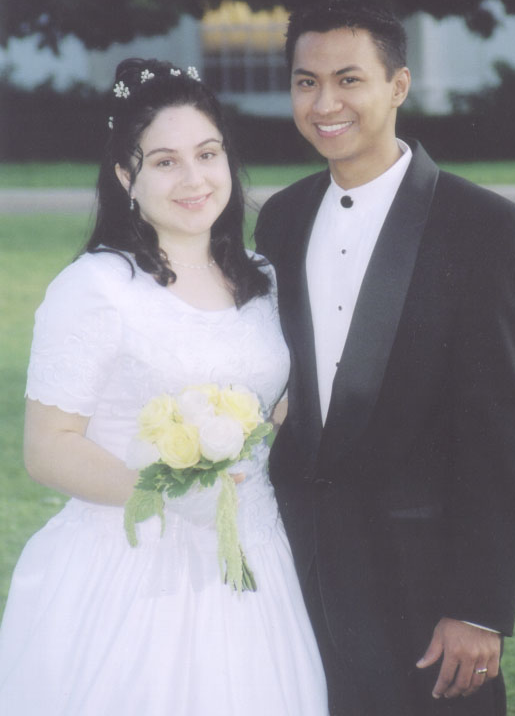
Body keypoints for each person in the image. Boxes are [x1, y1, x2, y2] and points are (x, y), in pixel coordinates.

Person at [0, 58, 328, 715]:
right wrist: (178, 496)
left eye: (207, 154)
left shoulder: (260, 278)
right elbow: (49, 447)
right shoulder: (96, 288)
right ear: (127, 175)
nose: (194, 178)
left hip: (256, 560)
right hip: (133, 566)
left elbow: (279, 405)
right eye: (165, 161)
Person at [254, 0, 515, 716]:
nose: (325, 103)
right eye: (305, 81)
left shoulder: (481, 226)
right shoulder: (281, 218)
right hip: (299, 571)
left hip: (422, 586)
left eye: (349, 80)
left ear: (398, 86)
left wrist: (478, 608)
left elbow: (503, 431)